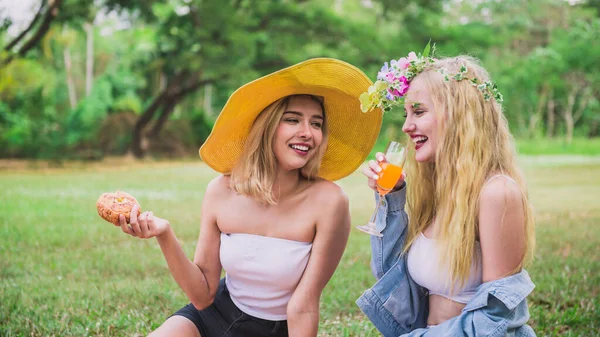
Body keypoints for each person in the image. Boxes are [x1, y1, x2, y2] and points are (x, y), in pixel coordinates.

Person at [115, 58, 382, 337]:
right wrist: (164, 234)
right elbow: (203, 295)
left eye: (316, 123)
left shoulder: (330, 202)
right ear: (267, 127)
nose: (308, 132)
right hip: (212, 316)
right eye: (292, 119)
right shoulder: (221, 191)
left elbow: (303, 306)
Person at [356, 45, 537, 336]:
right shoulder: (442, 190)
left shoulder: (497, 193)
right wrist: (390, 199)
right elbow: (392, 278)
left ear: (459, 114)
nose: (406, 126)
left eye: (418, 111)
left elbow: (497, 319)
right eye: (406, 114)